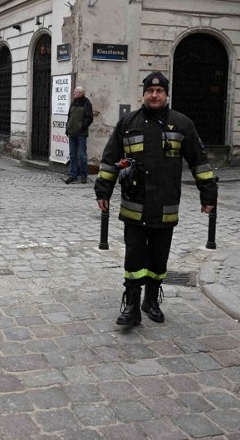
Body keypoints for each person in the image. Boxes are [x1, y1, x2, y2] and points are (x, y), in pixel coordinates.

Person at [94, 71, 217, 326]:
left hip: (165, 205)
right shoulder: (127, 124)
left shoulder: (182, 124)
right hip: (134, 205)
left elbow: (200, 162)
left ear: (166, 94)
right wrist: (103, 190)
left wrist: (208, 194)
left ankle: (151, 300)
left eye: (159, 91)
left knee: (159, 258)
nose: (154, 95)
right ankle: (131, 306)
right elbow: (109, 160)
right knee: (134, 257)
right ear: (143, 94)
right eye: (150, 91)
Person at [65, 86, 94, 184]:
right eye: (74, 92)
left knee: (82, 155)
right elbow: (70, 117)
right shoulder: (73, 103)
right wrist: (67, 128)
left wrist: (82, 127)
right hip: (72, 132)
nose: (74, 93)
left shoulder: (86, 103)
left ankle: (84, 175)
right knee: (72, 155)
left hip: (81, 134)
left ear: (81, 93)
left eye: (76, 92)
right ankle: (73, 175)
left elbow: (90, 118)